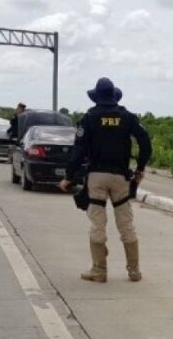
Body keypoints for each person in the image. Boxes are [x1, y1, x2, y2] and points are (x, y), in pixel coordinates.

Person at [62, 77, 151, 283]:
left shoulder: (90, 118)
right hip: (120, 176)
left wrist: (68, 176)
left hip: (97, 177)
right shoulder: (128, 117)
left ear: (96, 97)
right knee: (126, 224)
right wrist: (140, 168)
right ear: (114, 96)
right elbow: (145, 142)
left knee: (97, 224)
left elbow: (79, 150)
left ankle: (99, 271)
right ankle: (134, 271)